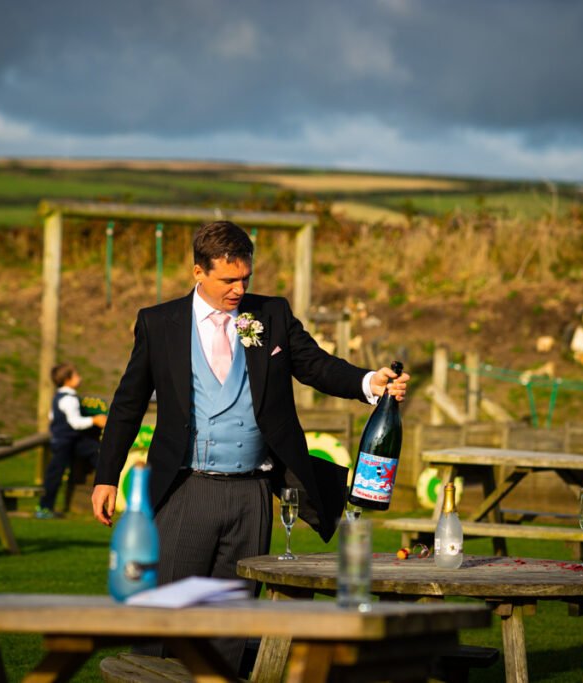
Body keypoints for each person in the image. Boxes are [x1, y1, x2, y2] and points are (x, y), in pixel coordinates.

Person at [92, 220, 408, 672]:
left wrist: (368, 382)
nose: (239, 289)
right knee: (163, 616)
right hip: (186, 490)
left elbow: (316, 366)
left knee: (232, 622)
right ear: (197, 272)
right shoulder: (158, 323)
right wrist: (106, 477)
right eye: (228, 279)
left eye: (246, 278)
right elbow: (127, 405)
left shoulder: (272, 315)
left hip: (254, 494)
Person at [36, 363, 108, 519]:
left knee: (94, 452)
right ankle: (44, 508)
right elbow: (75, 422)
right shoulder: (70, 399)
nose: (79, 378)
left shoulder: (58, 397)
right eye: (76, 375)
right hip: (66, 442)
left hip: (64, 441)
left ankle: (45, 506)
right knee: (55, 475)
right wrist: (95, 420)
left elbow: (52, 417)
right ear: (67, 379)